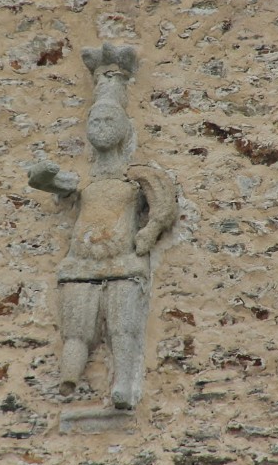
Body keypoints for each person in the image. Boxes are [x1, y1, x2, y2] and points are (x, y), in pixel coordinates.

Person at [28, 44, 176, 409]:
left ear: (125, 128)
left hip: (123, 262)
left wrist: (149, 232)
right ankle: (69, 378)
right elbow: (56, 183)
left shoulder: (135, 179)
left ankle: (123, 383)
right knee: (76, 332)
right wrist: (43, 176)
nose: (100, 128)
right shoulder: (85, 183)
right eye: (95, 121)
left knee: (122, 329)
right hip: (81, 263)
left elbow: (163, 203)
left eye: (108, 121)